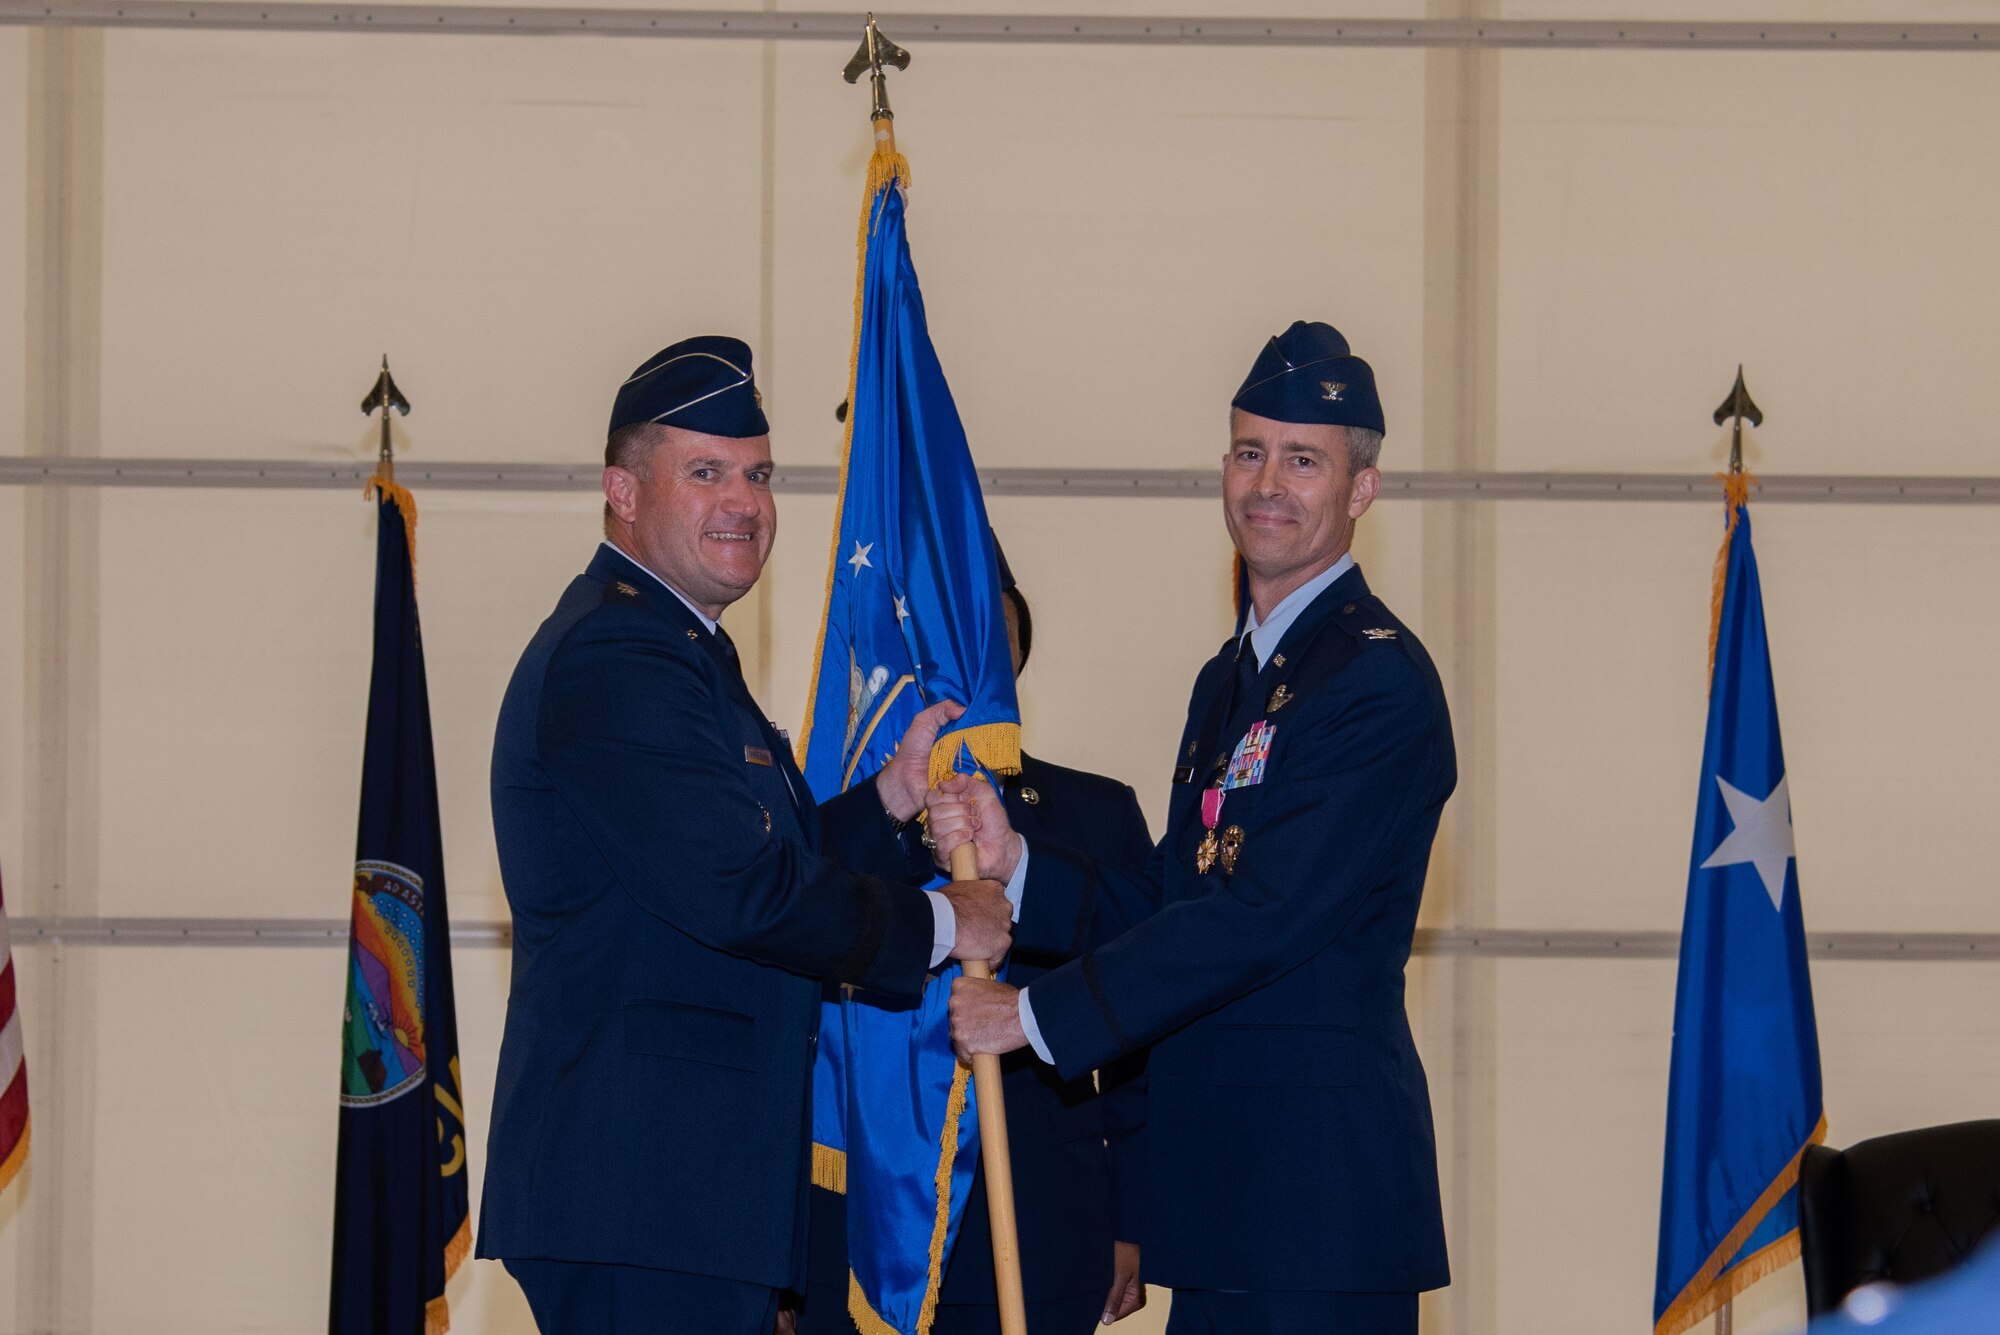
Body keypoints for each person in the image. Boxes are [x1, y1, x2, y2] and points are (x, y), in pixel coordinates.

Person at [476, 335, 1013, 1335]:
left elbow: (758, 863)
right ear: (622, 493)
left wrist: (887, 798)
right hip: (641, 1191)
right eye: (707, 472)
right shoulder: (619, 655)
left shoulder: (680, 648)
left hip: (677, 1196)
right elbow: (738, 889)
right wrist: (945, 925)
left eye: (759, 474)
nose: (744, 502)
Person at [935, 321, 1456, 1335]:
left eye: (1303, 460)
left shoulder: (1375, 683)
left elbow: (1263, 916)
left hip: (1315, 1210)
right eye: (1249, 451)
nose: (1267, 483)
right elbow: (1181, 899)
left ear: (1359, 491)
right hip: (1228, 1200)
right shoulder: (1233, 680)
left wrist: (1033, 1018)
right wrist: (1020, 864)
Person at [798, 540, 1155, 1335]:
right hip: (858, 1230)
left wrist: (1133, 1214)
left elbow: (1140, 1026)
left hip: (1040, 1223)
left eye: (982, 624)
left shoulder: (1093, 815)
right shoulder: (840, 820)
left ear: (1015, 642)